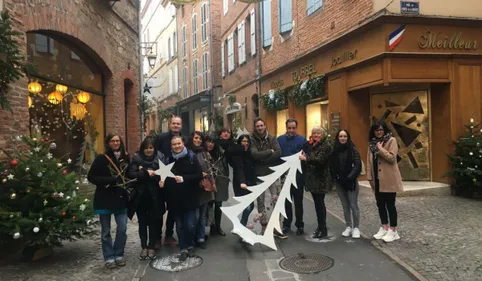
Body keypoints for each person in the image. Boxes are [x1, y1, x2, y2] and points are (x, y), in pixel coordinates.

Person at [87, 133, 130, 269]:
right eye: (113, 141)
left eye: (118, 140)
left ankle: (119, 254)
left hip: (120, 198)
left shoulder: (126, 158)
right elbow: (91, 177)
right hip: (104, 198)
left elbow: (129, 175)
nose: (116, 143)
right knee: (106, 230)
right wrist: (109, 181)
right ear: (108, 143)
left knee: (122, 228)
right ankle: (109, 257)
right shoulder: (101, 159)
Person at [160, 136, 203, 261]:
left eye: (179, 143)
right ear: (171, 146)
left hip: (190, 197)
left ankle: (190, 244)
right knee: (179, 226)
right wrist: (162, 182)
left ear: (183, 143)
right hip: (175, 199)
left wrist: (184, 178)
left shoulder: (191, 158)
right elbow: (165, 177)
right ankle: (183, 247)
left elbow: (199, 175)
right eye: (174, 144)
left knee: (190, 224)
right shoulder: (168, 160)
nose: (177, 146)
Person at [127, 136, 165, 260]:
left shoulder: (160, 158)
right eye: (146, 148)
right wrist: (144, 172)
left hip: (155, 196)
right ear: (142, 149)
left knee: (153, 223)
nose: (148, 150)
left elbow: (164, 175)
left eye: (151, 148)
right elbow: (131, 174)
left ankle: (151, 246)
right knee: (142, 223)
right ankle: (144, 247)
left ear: (154, 148)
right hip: (141, 197)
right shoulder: (137, 158)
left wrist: (158, 177)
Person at [367, 122, 403, 243]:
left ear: (384, 130)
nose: (379, 132)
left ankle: (393, 230)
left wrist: (381, 149)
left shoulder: (391, 140)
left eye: (381, 130)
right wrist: (369, 177)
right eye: (376, 130)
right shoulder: (371, 144)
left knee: (390, 204)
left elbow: (392, 158)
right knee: (380, 204)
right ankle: (385, 226)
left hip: (388, 179)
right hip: (377, 179)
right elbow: (368, 161)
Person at [250, 118, 286, 239]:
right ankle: (264, 226)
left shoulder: (272, 138)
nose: (260, 128)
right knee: (260, 203)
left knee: (276, 201)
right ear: (255, 127)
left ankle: (276, 227)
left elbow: (278, 152)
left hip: (273, 174)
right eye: (257, 126)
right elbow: (254, 154)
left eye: (261, 125)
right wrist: (269, 151)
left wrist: (263, 159)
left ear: (265, 126)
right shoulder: (252, 140)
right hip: (259, 176)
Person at [299, 126, 333, 239]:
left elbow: (320, 160)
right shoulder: (311, 144)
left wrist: (306, 159)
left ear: (322, 134)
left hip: (321, 179)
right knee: (318, 204)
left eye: (318, 133)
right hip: (312, 179)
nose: (316, 135)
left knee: (319, 204)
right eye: (314, 133)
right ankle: (321, 227)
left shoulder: (326, 145)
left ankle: (322, 228)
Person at [155, 116, 183, 246]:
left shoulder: (184, 138)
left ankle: (169, 235)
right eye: (174, 123)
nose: (176, 125)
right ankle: (157, 236)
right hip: (161, 175)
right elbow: (153, 152)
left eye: (178, 124)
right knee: (159, 207)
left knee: (172, 207)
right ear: (170, 124)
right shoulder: (161, 138)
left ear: (181, 126)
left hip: (175, 177)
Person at [277, 118, 307, 236]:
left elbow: (306, 155)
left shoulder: (302, 140)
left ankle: (299, 225)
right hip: (285, 176)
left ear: (296, 128)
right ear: (286, 128)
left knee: (299, 203)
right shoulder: (280, 140)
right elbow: (277, 156)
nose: (291, 130)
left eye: (293, 128)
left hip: (298, 176)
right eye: (289, 128)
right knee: (286, 202)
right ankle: (286, 224)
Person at [331, 129, 362, 239]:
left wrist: (349, 178)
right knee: (345, 206)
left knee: (353, 205)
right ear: (337, 138)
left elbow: (358, 165)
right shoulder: (334, 150)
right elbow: (332, 165)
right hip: (339, 182)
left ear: (348, 137)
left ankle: (356, 228)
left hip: (351, 182)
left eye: (345, 136)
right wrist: (336, 176)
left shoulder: (353, 149)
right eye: (340, 136)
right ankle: (348, 226)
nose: (342, 138)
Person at [187, 131, 214, 249]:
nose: (198, 140)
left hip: (205, 188)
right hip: (193, 188)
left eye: (200, 139)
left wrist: (211, 181)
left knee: (203, 214)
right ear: (191, 138)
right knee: (195, 216)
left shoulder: (205, 153)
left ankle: (201, 237)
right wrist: (199, 175)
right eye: (196, 138)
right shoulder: (187, 152)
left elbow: (210, 168)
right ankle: (191, 239)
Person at [231, 134, 256, 239]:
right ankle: (241, 228)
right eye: (243, 141)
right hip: (241, 184)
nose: (245, 143)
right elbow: (239, 169)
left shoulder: (251, 153)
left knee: (251, 206)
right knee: (247, 207)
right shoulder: (237, 154)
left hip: (251, 183)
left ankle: (240, 225)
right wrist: (242, 182)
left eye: (247, 141)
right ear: (239, 143)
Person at [206, 135, 230, 236]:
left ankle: (218, 227)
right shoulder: (203, 153)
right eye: (208, 141)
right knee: (209, 205)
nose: (210, 144)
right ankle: (211, 227)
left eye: (212, 142)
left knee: (218, 205)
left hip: (219, 181)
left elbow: (225, 166)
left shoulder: (220, 153)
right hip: (207, 182)